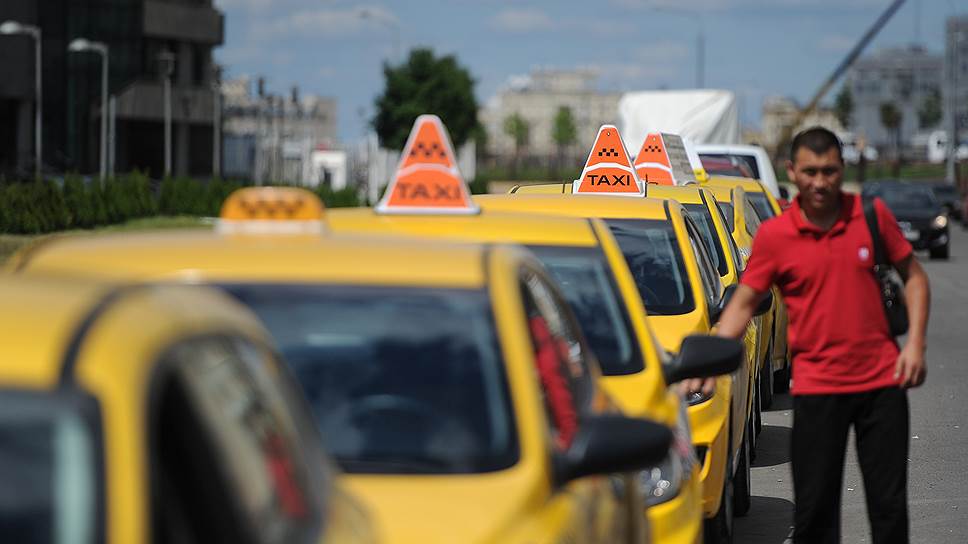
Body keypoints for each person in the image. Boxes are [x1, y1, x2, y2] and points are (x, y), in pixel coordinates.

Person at [715, 127, 930, 543]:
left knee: (888, 511)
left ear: (841, 169)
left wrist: (916, 345)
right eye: (810, 171)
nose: (820, 182)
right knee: (815, 516)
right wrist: (714, 359)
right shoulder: (775, 236)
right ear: (792, 171)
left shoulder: (871, 216)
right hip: (817, 390)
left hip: (881, 386)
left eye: (829, 171)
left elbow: (915, 278)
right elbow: (743, 303)